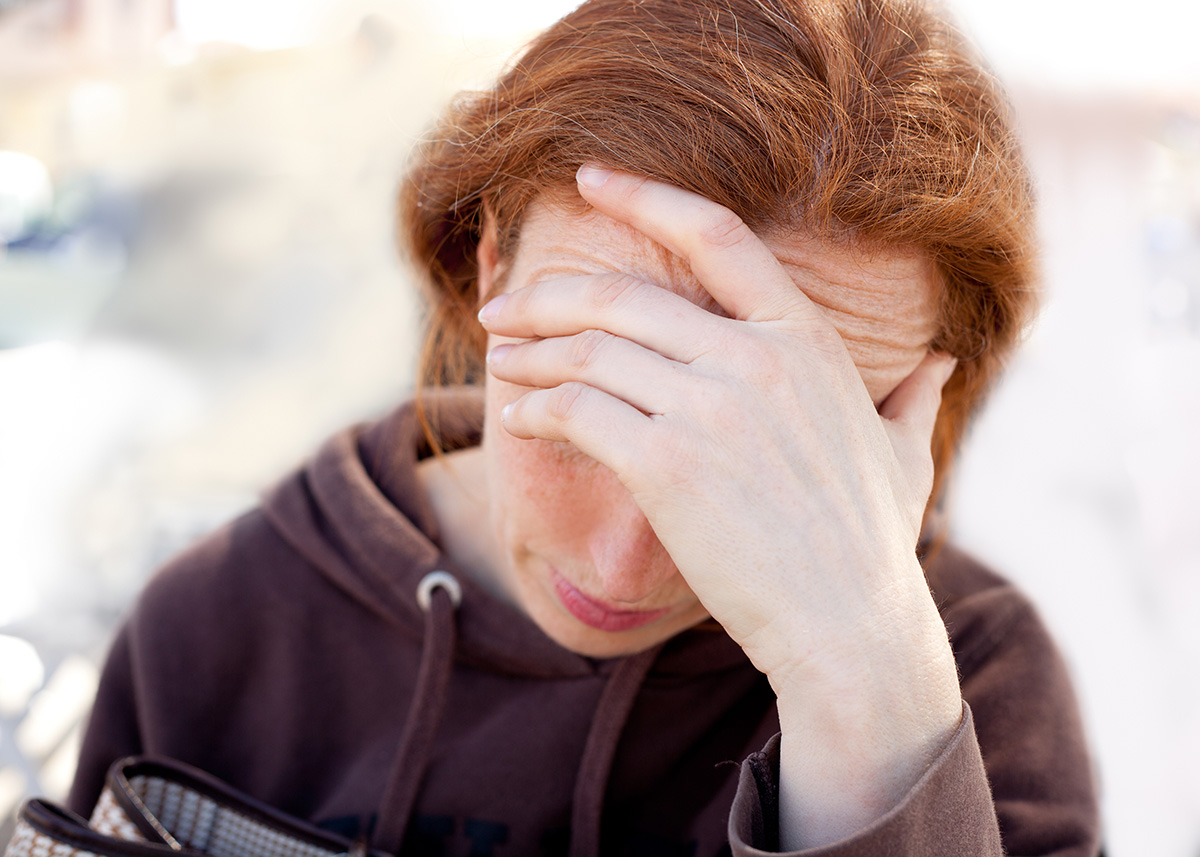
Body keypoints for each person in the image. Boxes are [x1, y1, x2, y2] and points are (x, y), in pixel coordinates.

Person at [66, 0, 1101, 854]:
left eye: (771, 444)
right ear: (491, 263)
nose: (623, 566)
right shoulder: (220, 627)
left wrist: (866, 680)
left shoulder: (971, 680)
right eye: (590, 400)